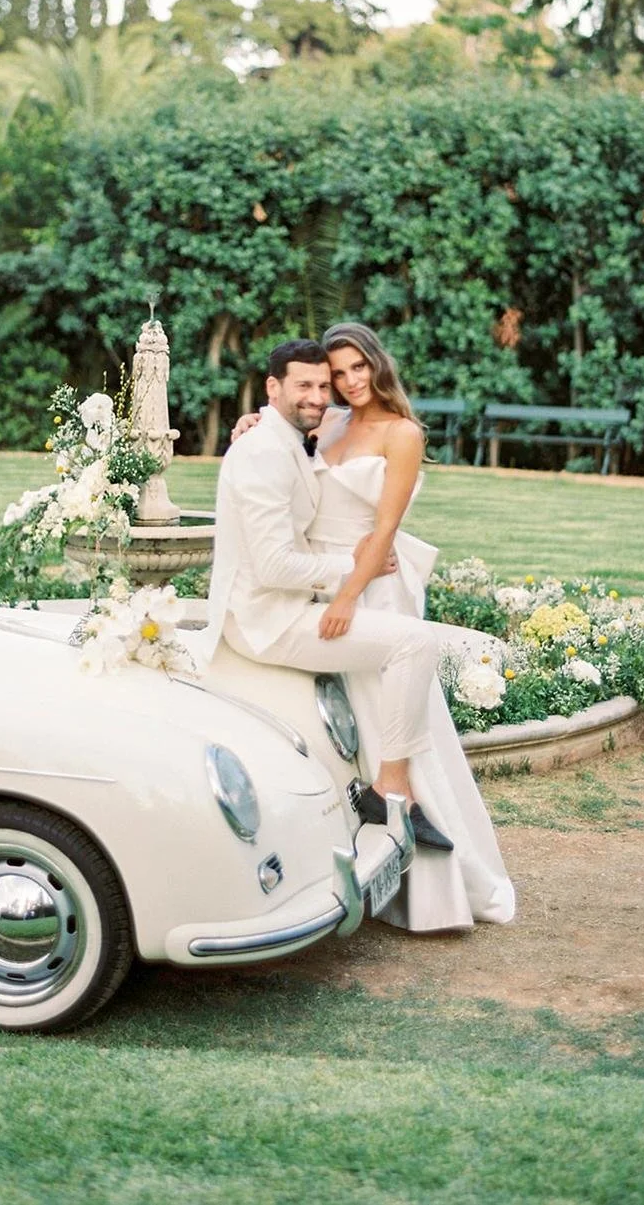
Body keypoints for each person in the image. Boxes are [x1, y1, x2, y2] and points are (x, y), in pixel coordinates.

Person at [228, 323, 515, 931]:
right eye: (338, 374)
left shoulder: (403, 433)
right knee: (354, 722)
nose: (349, 382)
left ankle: (421, 842)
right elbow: (285, 433)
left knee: (396, 708)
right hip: (322, 578)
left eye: (359, 368)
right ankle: (378, 858)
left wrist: (348, 595)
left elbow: (384, 530)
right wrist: (254, 423)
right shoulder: (327, 424)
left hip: (370, 581)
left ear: (377, 366)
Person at [201, 338, 455, 851]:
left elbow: (375, 513)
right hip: (275, 612)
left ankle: (390, 790)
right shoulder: (272, 445)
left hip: (342, 588)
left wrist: (265, 419)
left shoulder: (316, 429)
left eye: (331, 380)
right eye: (319, 380)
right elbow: (273, 565)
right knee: (416, 645)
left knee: (394, 676)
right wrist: (349, 572)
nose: (327, 391)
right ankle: (391, 790)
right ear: (273, 388)